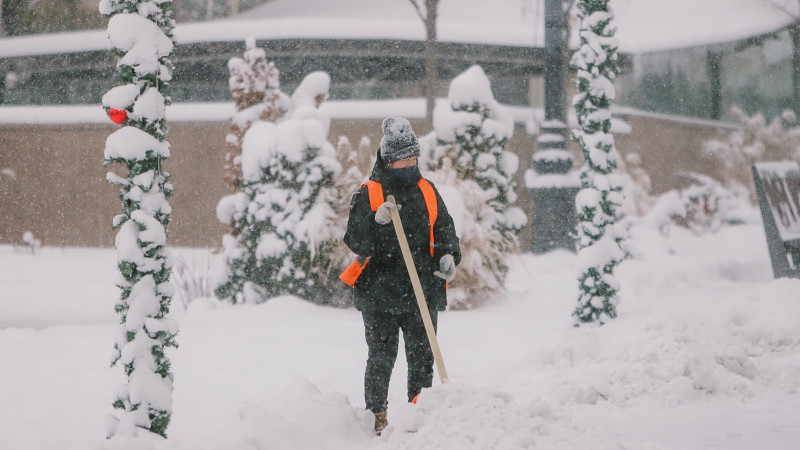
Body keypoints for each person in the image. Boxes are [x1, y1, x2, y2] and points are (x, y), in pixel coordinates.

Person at [343, 117, 461, 434]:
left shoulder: (427, 189)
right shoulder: (369, 193)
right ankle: (376, 416)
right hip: (379, 292)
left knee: (423, 359)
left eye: (414, 158)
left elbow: (445, 229)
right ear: (389, 159)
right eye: (404, 159)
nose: (411, 163)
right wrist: (375, 221)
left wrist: (449, 254)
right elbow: (355, 239)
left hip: (421, 288)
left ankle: (418, 415)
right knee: (381, 357)